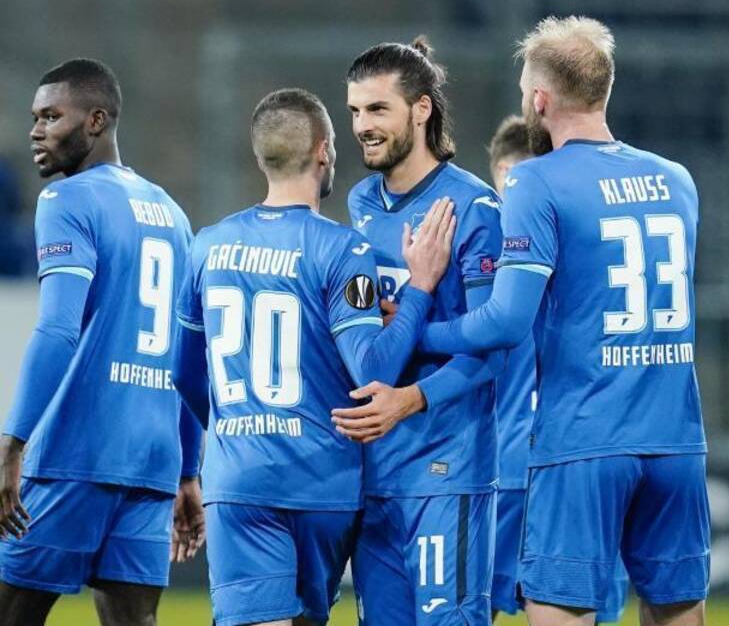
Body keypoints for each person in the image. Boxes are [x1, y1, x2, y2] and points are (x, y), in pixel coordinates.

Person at [418, 17, 710, 626]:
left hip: (584, 438)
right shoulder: (676, 181)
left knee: (560, 611)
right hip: (677, 439)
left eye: (527, 87)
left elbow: (504, 320)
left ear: (541, 99)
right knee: (679, 610)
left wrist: (422, 328)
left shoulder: (536, 180)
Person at [171, 88, 455, 626]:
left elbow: (184, 371)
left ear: (261, 157)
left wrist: (237, 426)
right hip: (324, 484)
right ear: (324, 152)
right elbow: (372, 369)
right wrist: (419, 289)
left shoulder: (207, 245)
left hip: (243, 481)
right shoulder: (342, 249)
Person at [0, 58, 203, 626]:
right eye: (33, 118)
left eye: (50, 116)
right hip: (152, 464)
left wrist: (12, 443)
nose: (36, 131)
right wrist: (188, 470)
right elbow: (190, 354)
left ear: (95, 121)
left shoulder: (66, 202)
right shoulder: (173, 214)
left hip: (75, 456)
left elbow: (59, 329)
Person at [337, 38, 504, 624]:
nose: (362, 126)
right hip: (373, 471)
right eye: (355, 111)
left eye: (378, 109)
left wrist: (409, 401)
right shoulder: (360, 202)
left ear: (422, 109)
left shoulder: (472, 208)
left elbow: (493, 352)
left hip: (445, 466)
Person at [486, 115, 629, 624]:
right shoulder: (482, 262)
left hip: (566, 462)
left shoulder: (575, 258)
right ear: (507, 173)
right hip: (510, 470)